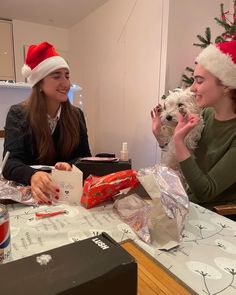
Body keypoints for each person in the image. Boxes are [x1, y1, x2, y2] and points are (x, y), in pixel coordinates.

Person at [2, 41, 91, 204]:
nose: (66, 83)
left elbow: (85, 158)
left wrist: (70, 165)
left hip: (66, 196)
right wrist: (32, 175)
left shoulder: (76, 115)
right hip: (33, 199)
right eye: (56, 76)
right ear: (39, 84)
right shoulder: (18, 114)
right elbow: (9, 163)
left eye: (67, 76)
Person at [151, 40, 236, 208]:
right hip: (185, 203)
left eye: (199, 80)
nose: (192, 88)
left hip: (216, 217)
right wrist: (160, 137)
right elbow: (186, 160)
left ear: (226, 85)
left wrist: (179, 141)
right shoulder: (205, 114)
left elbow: (205, 191)